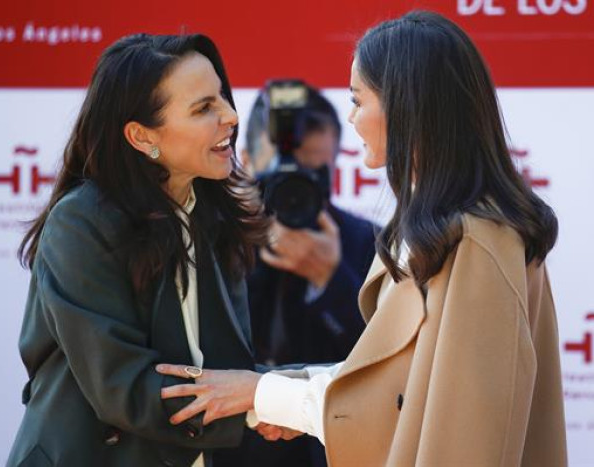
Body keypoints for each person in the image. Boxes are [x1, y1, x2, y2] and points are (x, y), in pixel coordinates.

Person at [156, 10, 568, 467]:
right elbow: (397, 387)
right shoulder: (434, 230)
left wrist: (266, 386)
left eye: (358, 99)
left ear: (407, 107)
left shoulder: (477, 238)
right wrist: (273, 397)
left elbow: (455, 425)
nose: (353, 118)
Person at [7, 33, 268, 467]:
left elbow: (227, 366)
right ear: (142, 136)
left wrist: (288, 397)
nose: (230, 115)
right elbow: (124, 387)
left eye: (221, 96)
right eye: (204, 108)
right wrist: (262, 408)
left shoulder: (214, 215)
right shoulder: (81, 223)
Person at [216, 86, 375, 467]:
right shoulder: (212, 238)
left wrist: (331, 280)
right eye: (284, 174)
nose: (296, 188)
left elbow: (380, 371)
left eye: (314, 174)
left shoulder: (369, 244)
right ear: (246, 159)